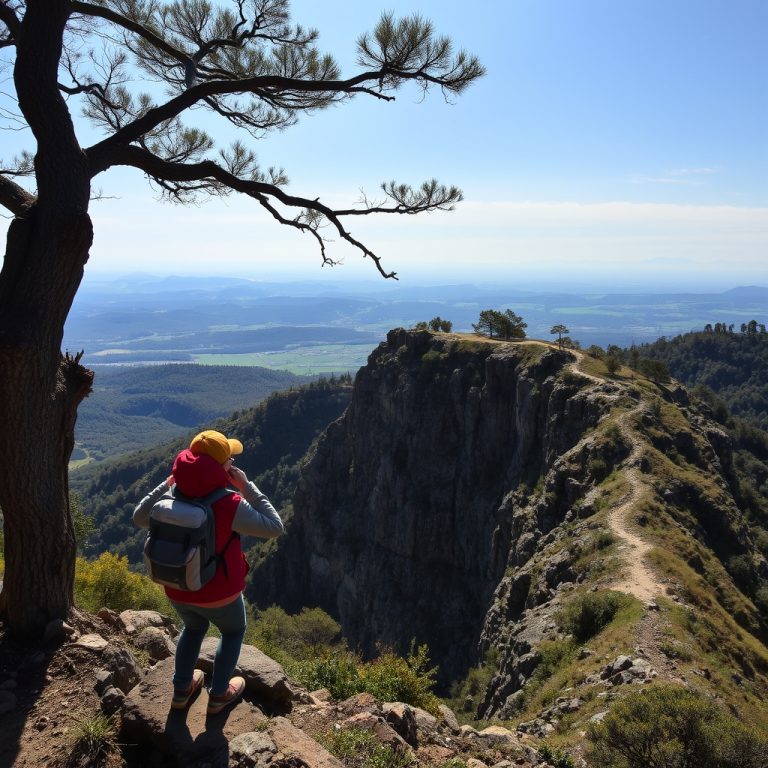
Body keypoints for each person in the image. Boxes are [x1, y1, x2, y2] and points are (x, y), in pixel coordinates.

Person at [133, 429, 284, 715]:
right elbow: (274, 527)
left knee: (193, 627)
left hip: (176, 584)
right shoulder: (229, 503)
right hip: (220, 591)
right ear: (223, 467)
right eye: (229, 460)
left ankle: (181, 690)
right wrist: (247, 487)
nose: (232, 465)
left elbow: (139, 517)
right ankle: (219, 694)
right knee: (233, 631)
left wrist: (166, 484)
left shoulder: (172, 493)